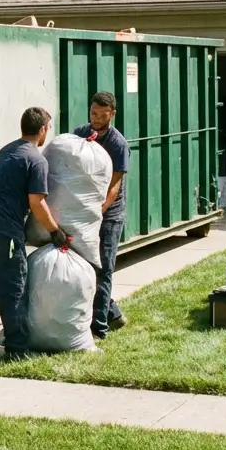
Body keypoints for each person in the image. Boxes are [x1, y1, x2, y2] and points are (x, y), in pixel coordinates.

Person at [0, 106, 68, 360]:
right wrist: (55, 231)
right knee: (13, 289)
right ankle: (17, 350)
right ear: (42, 129)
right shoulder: (36, 159)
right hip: (3, 231)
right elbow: (37, 202)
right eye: (47, 130)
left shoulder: (6, 150)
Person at [74, 91, 131, 340]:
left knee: (104, 268)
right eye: (93, 113)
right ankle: (114, 313)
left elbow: (114, 186)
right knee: (86, 266)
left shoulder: (118, 144)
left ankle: (99, 328)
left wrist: (99, 211)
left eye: (101, 115)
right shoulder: (80, 134)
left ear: (112, 114)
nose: (96, 119)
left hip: (109, 214)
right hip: (85, 212)